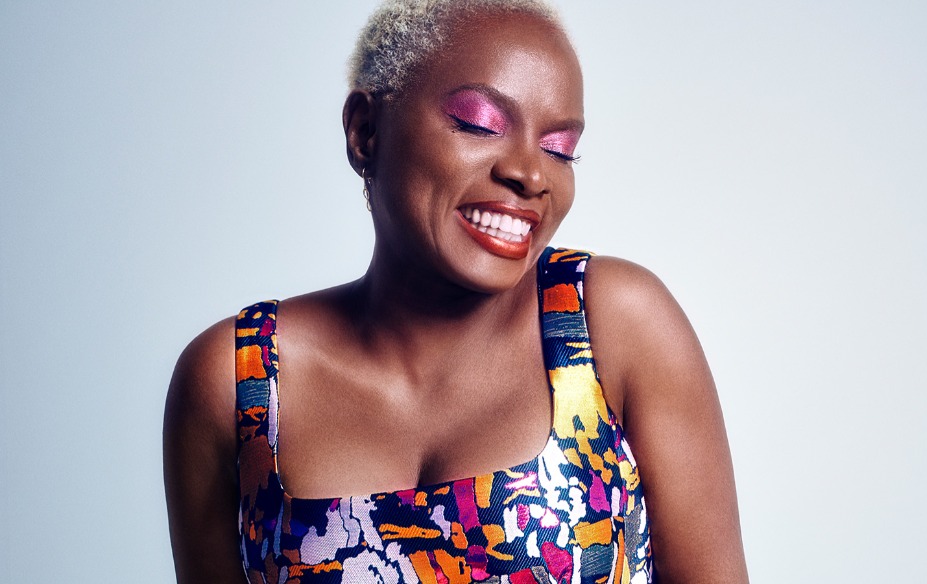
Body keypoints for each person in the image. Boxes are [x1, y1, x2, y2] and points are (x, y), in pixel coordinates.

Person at [163, 1, 749, 582]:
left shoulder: (609, 324)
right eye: (479, 124)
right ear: (365, 131)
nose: (531, 174)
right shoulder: (237, 380)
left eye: (559, 149)